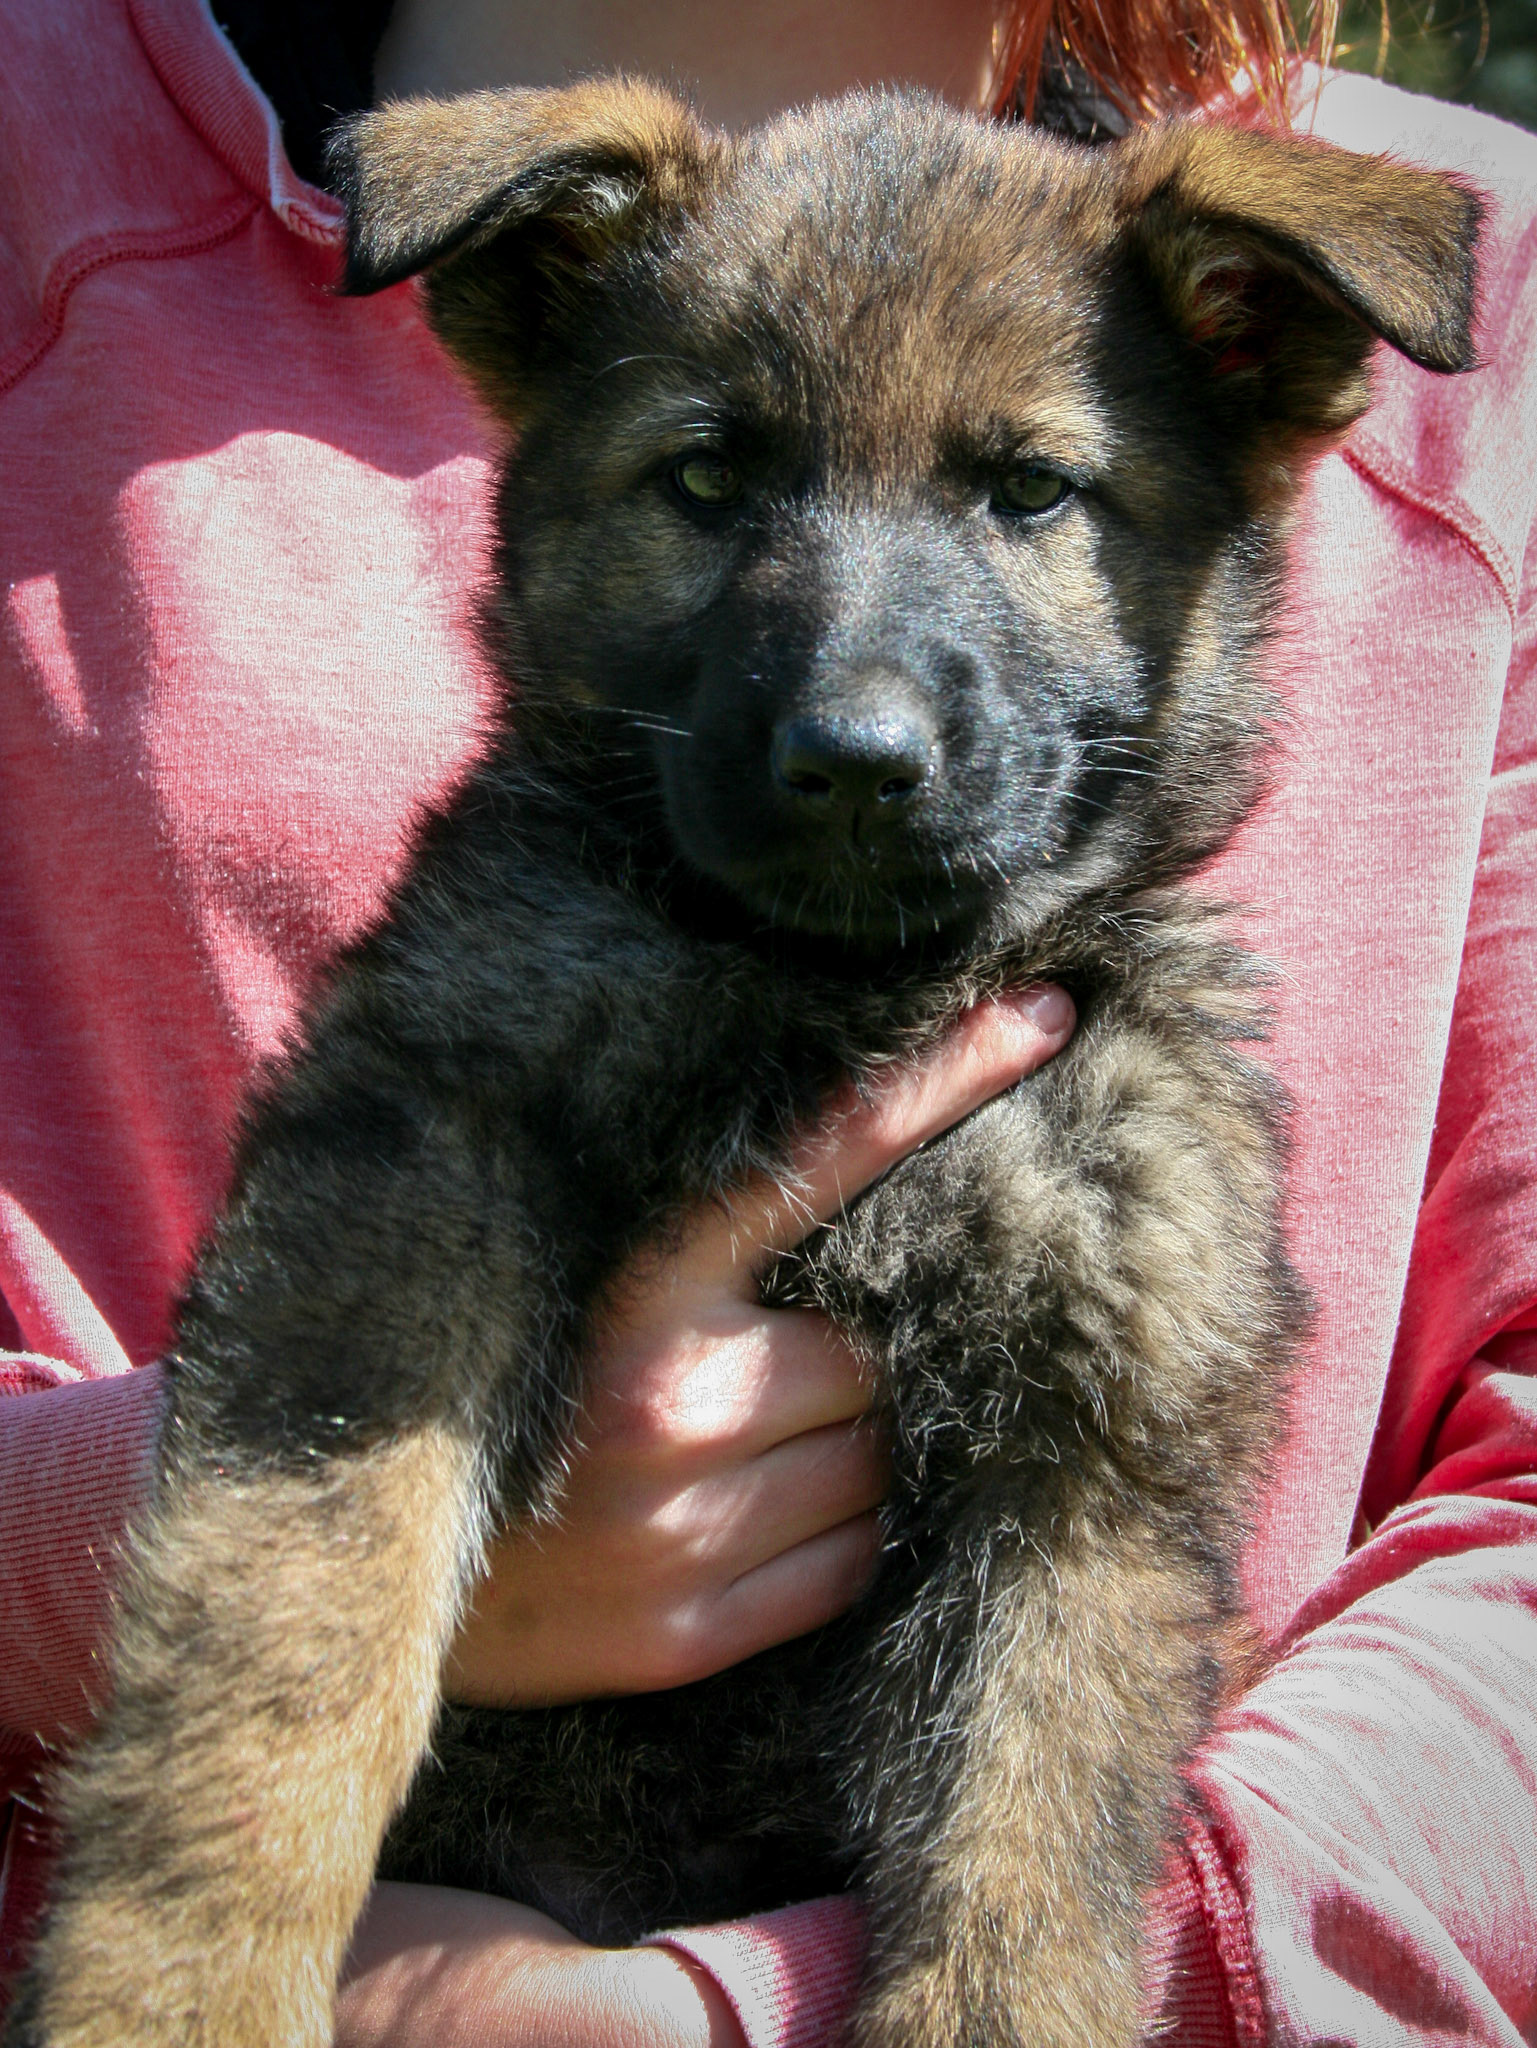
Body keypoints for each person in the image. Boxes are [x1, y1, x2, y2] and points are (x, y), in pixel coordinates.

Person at [0, 2, 1533, 2044]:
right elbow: (343, 1370)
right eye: (716, 479)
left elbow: (1096, 1595)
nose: (854, 703)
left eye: (1024, 489)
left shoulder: (1419, 338)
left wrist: (738, 2015)